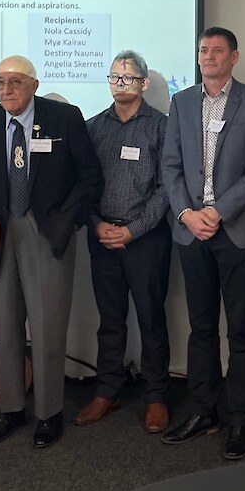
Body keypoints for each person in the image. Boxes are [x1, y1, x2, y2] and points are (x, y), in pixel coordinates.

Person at [0, 56, 103, 449]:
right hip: (1, 229)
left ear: (33, 84)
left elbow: (89, 177)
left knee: (47, 326)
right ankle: (11, 409)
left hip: (46, 231)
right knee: (7, 323)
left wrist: (66, 222)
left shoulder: (63, 118)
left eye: (14, 82)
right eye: (0, 82)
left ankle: (48, 413)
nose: (6, 89)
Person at [161, 27, 245, 461]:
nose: (207, 56)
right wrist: (188, 214)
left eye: (216, 50)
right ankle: (204, 410)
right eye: (202, 50)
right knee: (201, 327)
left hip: (236, 231)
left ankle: (240, 417)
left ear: (234, 57)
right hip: (192, 230)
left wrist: (218, 211)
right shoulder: (182, 102)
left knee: (241, 329)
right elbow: (170, 166)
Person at [75, 50, 172, 434]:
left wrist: (134, 229)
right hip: (102, 238)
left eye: (129, 78)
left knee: (151, 319)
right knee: (110, 320)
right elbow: (82, 183)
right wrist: (96, 225)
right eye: (115, 77)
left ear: (144, 84)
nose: (121, 83)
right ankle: (107, 390)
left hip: (146, 239)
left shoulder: (162, 127)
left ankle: (157, 396)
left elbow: (168, 186)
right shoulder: (93, 127)